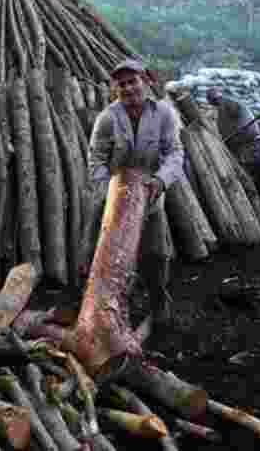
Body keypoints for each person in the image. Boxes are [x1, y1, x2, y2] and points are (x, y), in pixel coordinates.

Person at [87, 59, 186, 332]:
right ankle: (95, 312)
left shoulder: (164, 114)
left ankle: (159, 309)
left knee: (156, 255)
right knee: (96, 255)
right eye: (122, 83)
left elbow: (175, 153)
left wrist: (160, 180)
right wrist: (109, 192)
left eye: (133, 81)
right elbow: (95, 159)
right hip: (112, 199)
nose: (128, 87)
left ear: (146, 82)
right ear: (115, 89)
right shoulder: (107, 118)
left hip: (150, 198)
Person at [206, 87, 260, 161]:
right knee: (244, 152)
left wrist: (224, 139)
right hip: (251, 130)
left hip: (245, 131)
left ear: (211, 99)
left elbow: (224, 125)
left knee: (232, 148)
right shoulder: (228, 101)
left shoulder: (223, 104)